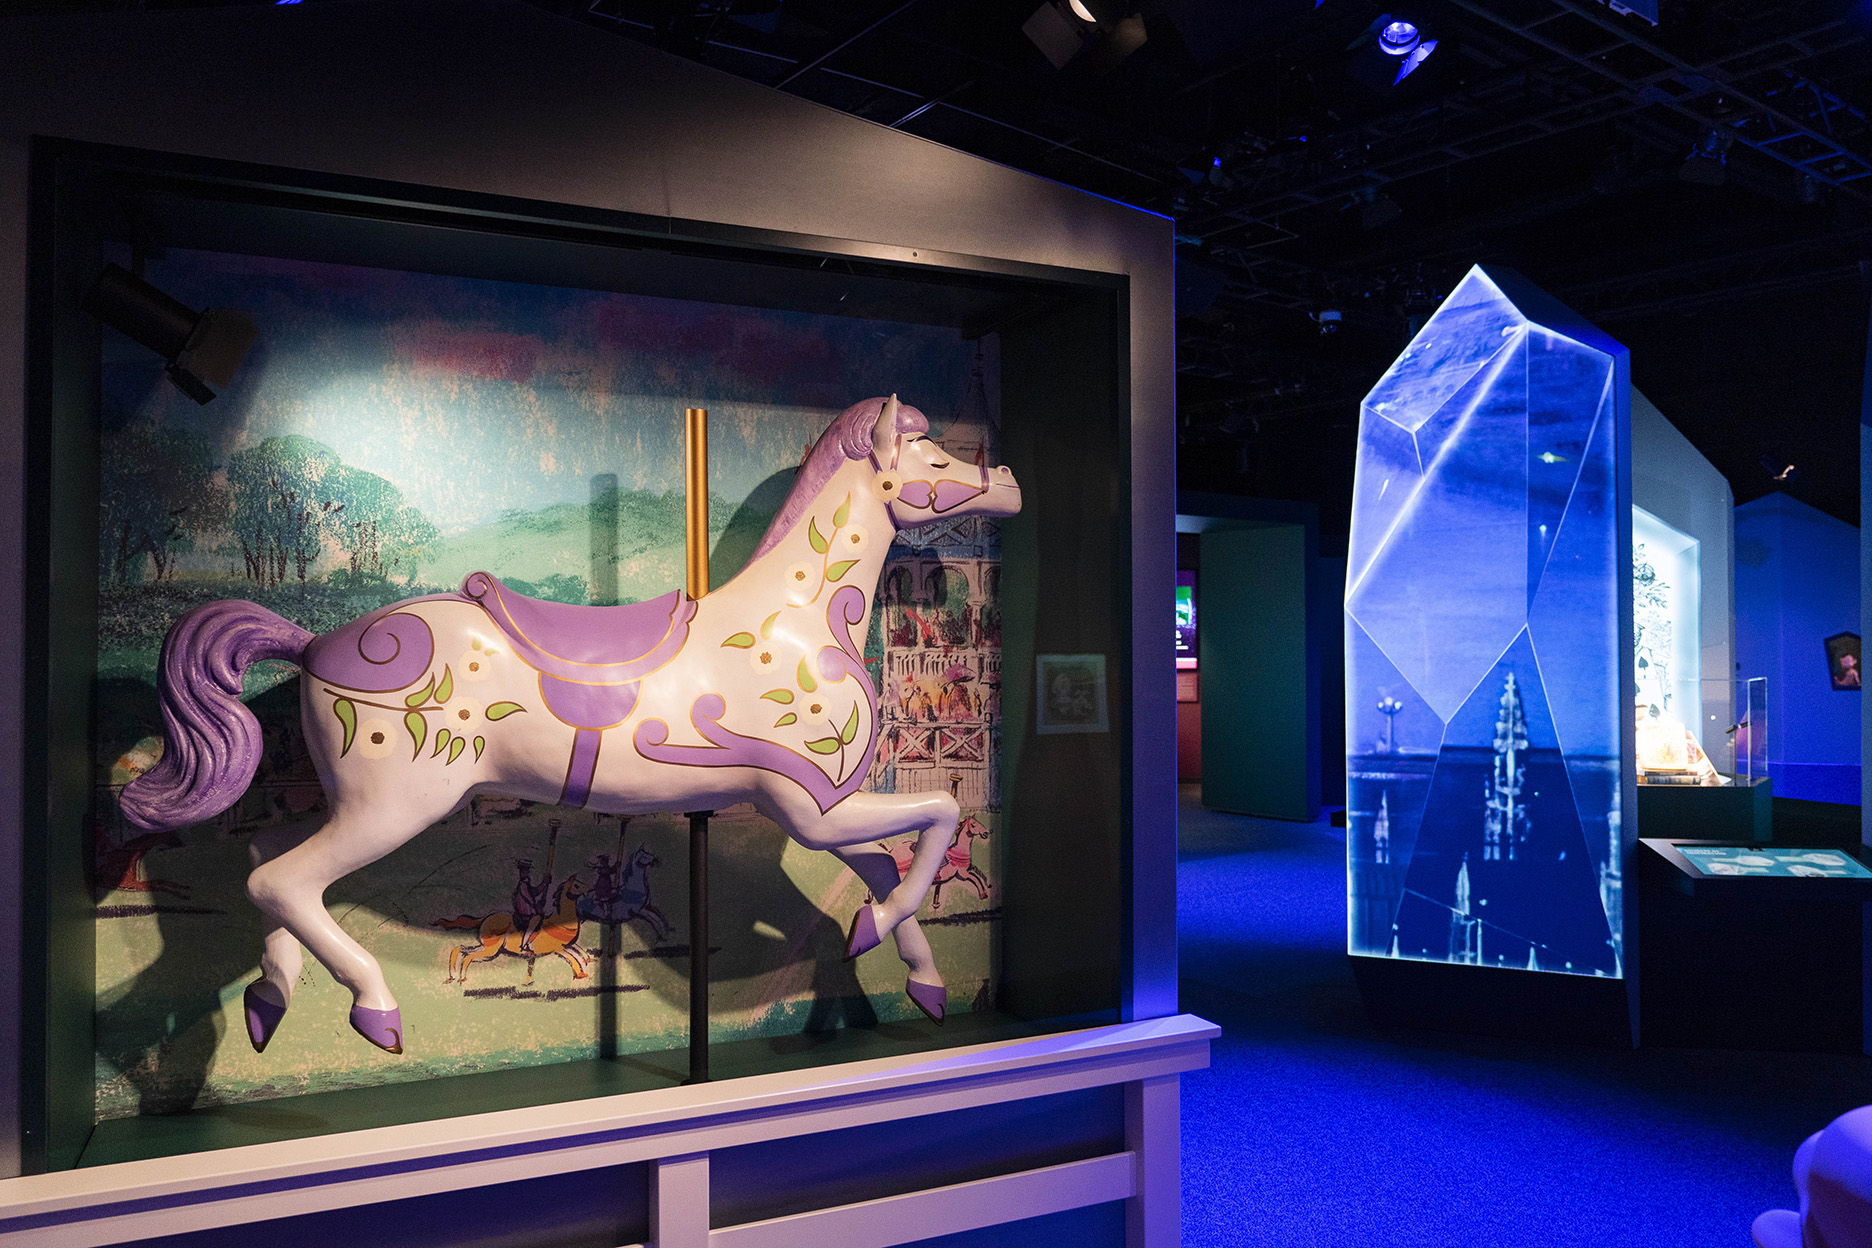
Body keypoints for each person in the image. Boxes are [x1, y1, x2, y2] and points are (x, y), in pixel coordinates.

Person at [512, 858, 550, 952]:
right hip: (526, 913)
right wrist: (544, 883)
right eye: (525, 871)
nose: (527, 873)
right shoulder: (523, 885)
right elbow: (531, 897)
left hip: (528, 911)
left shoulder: (526, 883)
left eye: (527, 871)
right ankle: (523, 945)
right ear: (521, 872)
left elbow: (534, 892)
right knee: (535, 921)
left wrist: (544, 884)